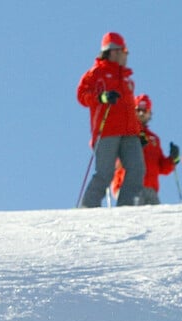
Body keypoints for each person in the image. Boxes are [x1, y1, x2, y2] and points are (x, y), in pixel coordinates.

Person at [76, 32, 145, 207]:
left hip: (129, 132)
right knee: (105, 173)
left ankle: (126, 206)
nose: (126, 55)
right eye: (125, 51)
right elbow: (82, 95)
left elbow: (129, 108)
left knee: (137, 168)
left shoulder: (126, 77)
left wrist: (139, 132)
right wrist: (101, 97)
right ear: (113, 51)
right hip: (107, 130)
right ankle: (88, 206)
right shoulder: (96, 73)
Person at [111, 94, 180, 205]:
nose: (141, 113)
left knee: (157, 220)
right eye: (138, 110)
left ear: (149, 114)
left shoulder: (154, 139)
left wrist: (173, 159)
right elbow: (114, 161)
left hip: (150, 188)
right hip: (128, 186)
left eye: (145, 110)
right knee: (134, 218)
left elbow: (162, 168)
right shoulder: (124, 132)